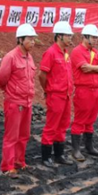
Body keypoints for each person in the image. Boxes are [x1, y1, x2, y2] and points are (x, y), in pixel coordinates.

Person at [0, 23, 37, 178]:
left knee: (24, 134)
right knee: (12, 136)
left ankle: (19, 162)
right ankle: (8, 166)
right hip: (14, 102)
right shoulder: (11, 57)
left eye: (33, 39)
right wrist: (11, 91)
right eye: (30, 39)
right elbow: (1, 78)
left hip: (27, 101)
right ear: (20, 39)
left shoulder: (29, 57)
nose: (33, 42)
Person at [38, 21, 74, 168]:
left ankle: (59, 155)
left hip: (66, 95)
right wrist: (47, 90)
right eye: (68, 35)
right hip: (55, 95)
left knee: (63, 125)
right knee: (52, 125)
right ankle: (46, 157)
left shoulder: (65, 53)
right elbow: (42, 75)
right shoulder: (51, 53)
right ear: (59, 36)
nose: (70, 38)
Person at [70, 24, 98, 161]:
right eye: (94, 37)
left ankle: (89, 147)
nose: (96, 40)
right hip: (84, 90)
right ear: (85, 37)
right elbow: (83, 68)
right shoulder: (77, 51)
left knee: (90, 120)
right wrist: (97, 68)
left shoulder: (95, 52)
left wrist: (92, 67)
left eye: (97, 37)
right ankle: (75, 150)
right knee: (80, 120)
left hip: (96, 91)